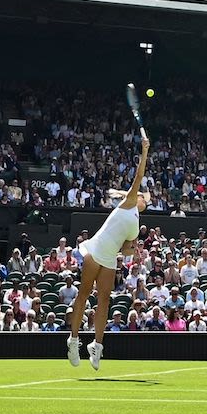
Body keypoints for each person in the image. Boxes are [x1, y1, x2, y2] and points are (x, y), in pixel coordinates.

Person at [66, 128, 150, 372]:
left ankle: (97, 346)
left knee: (104, 300)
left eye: (145, 198)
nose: (145, 198)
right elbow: (139, 176)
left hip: (110, 258)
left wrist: (132, 253)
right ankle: (73, 340)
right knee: (84, 294)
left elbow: (124, 250)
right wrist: (144, 151)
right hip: (96, 250)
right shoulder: (129, 202)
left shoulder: (135, 229)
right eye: (143, 196)